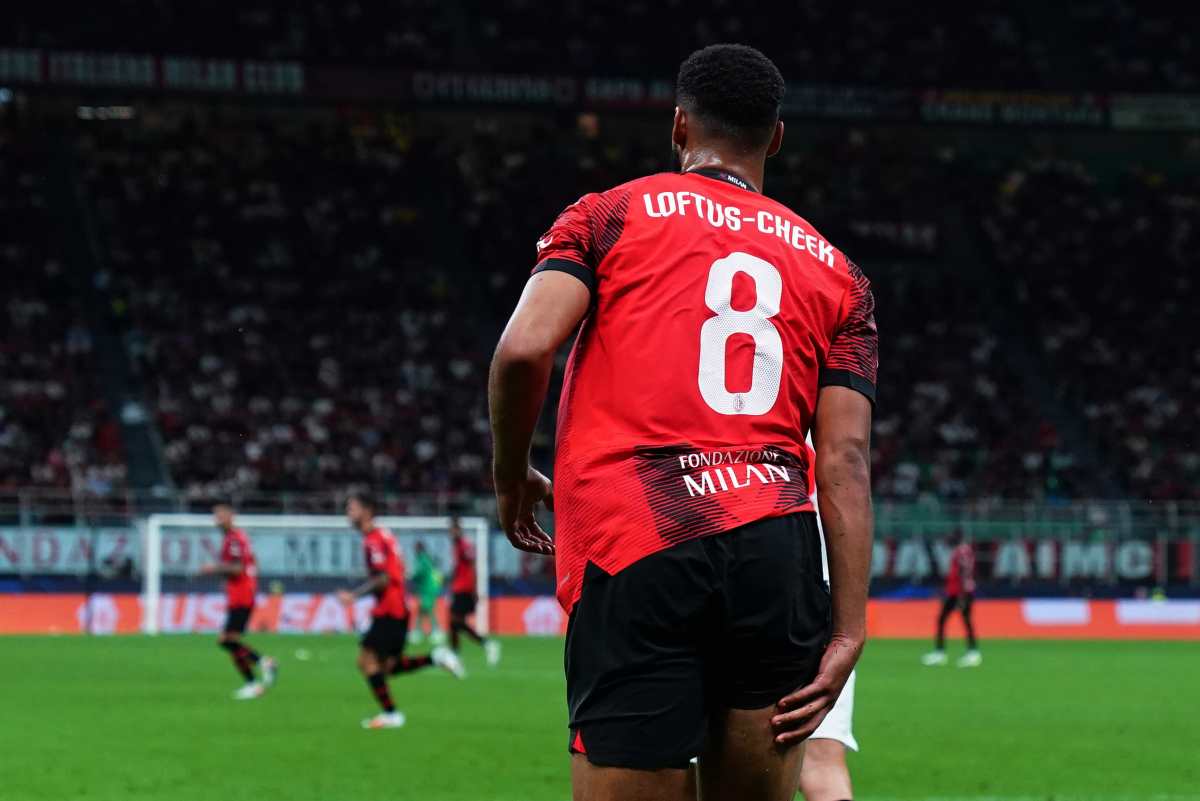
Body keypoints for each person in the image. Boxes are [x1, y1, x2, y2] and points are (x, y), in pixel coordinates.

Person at [488, 43, 877, 801]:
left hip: (641, 539)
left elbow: (524, 348)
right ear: (775, 138)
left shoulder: (611, 214)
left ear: (677, 126)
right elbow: (845, 460)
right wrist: (850, 628)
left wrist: (511, 476)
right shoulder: (839, 273)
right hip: (775, 547)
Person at [337, 494, 464, 730]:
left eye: (352, 508)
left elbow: (383, 578)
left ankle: (392, 714)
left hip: (390, 609)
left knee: (366, 662)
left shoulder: (374, 540)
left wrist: (353, 596)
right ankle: (435, 658)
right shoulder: (383, 536)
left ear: (367, 510)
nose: (348, 513)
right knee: (386, 667)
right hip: (397, 608)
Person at [199, 503, 277, 700]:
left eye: (221, 515)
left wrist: (213, 569)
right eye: (215, 516)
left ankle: (262, 664)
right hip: (241, 594)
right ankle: (253, 683)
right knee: (230, 641)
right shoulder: (236, 538)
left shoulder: (234, 539)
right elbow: (252, 561)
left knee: (227, 640)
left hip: (241, 596)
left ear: (231, 516)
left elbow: (237, 568)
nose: (217, 520)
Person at [448, 518, 501, 667]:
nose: (452, 533)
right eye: (451, 530)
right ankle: (455, 655)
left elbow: (472, 568)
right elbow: (457, 569)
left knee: (455, 621)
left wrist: (475, 590)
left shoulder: (465, 545)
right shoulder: (456, 547)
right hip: (458, 588)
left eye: (454, 530)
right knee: (454, 623)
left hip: (465, 589)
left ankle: (487, 644)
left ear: (459, 530)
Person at [923, 531, 981, 667]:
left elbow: (963, 573)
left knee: (954, 620)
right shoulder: (965, 551)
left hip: (960, 592)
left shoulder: (961, 552)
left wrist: (961, 595)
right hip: (960, 591)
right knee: (954, 620)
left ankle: (968, 653)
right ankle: (967, 652)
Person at [409, 541, 444, 644]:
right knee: (422, 609)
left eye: (415, 548)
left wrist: (410, 576)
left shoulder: (423, 559)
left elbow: (420, 573)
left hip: (428, 588)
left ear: (419, 548)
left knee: (428, 609)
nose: (414, 551)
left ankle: (437, 631)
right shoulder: (423, 558)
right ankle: (417, 631)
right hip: (426, 588)